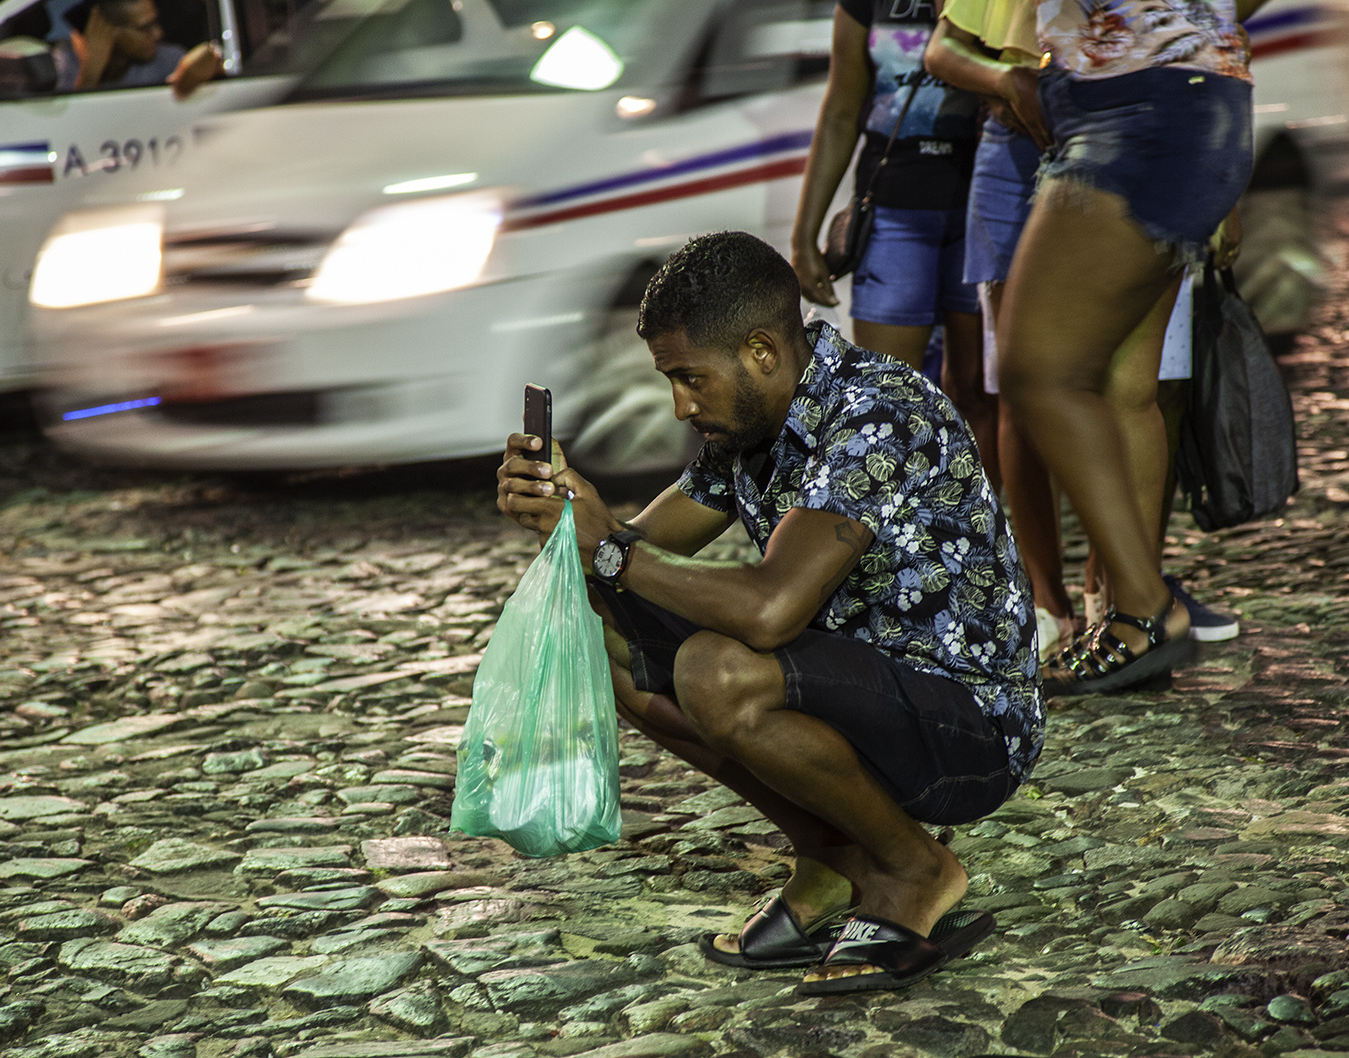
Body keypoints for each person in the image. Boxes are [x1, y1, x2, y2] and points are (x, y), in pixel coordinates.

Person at [497, 232, 1044, 993]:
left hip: (968, 727)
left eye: (690, 378)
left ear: (760, 350)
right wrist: (569, 517)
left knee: (721, 671)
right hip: (857, 691)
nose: (681, 405)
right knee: (599, 627)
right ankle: (832, 856)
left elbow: (769, 613)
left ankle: (915, 869)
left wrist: (612, 551)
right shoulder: (754, 424)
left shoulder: (874, 414)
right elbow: (628, 559)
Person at [996, 0, 1260, 694]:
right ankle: (1129, 612)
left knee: (1038, 372)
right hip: (1166, 103)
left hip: (1140, 113)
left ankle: (1144, 611)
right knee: (1115, 379)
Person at [791, 0, 998, 491]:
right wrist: (804, 237)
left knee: (976, 393)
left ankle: (977, 533)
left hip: (983, 206)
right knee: (889, 398)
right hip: (893, 207)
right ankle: (900, 536)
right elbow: (841, 110)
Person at [55, 0, 221, 98]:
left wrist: (208, 66)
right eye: (144, 28)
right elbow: (68, 131)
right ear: (107, 30)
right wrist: (90, 74)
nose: (158, 33)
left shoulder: (169, 59)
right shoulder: (65, 64)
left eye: (155, 22)